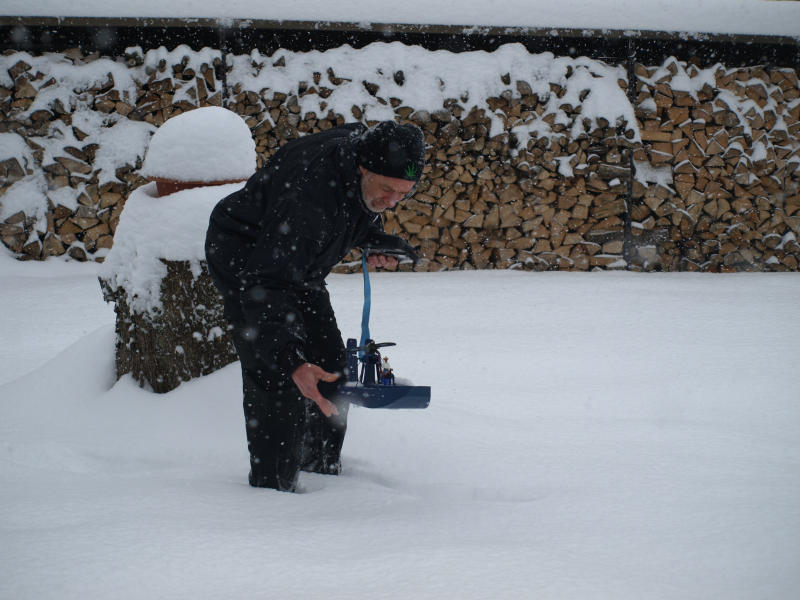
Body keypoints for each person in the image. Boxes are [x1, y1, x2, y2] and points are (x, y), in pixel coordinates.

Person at [204, 120, 426, 492]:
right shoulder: (308, 197)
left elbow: (349, 207)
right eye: (387, 189)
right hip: (247, 260)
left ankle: (318, 468)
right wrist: (291, 360)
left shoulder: (361, 154)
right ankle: (273, 490)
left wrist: (371, 238)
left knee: (331, 367)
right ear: (362, 168)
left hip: (296, 260)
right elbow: (268, 281)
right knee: (277, 374)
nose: (393, 201)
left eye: (403, 193)